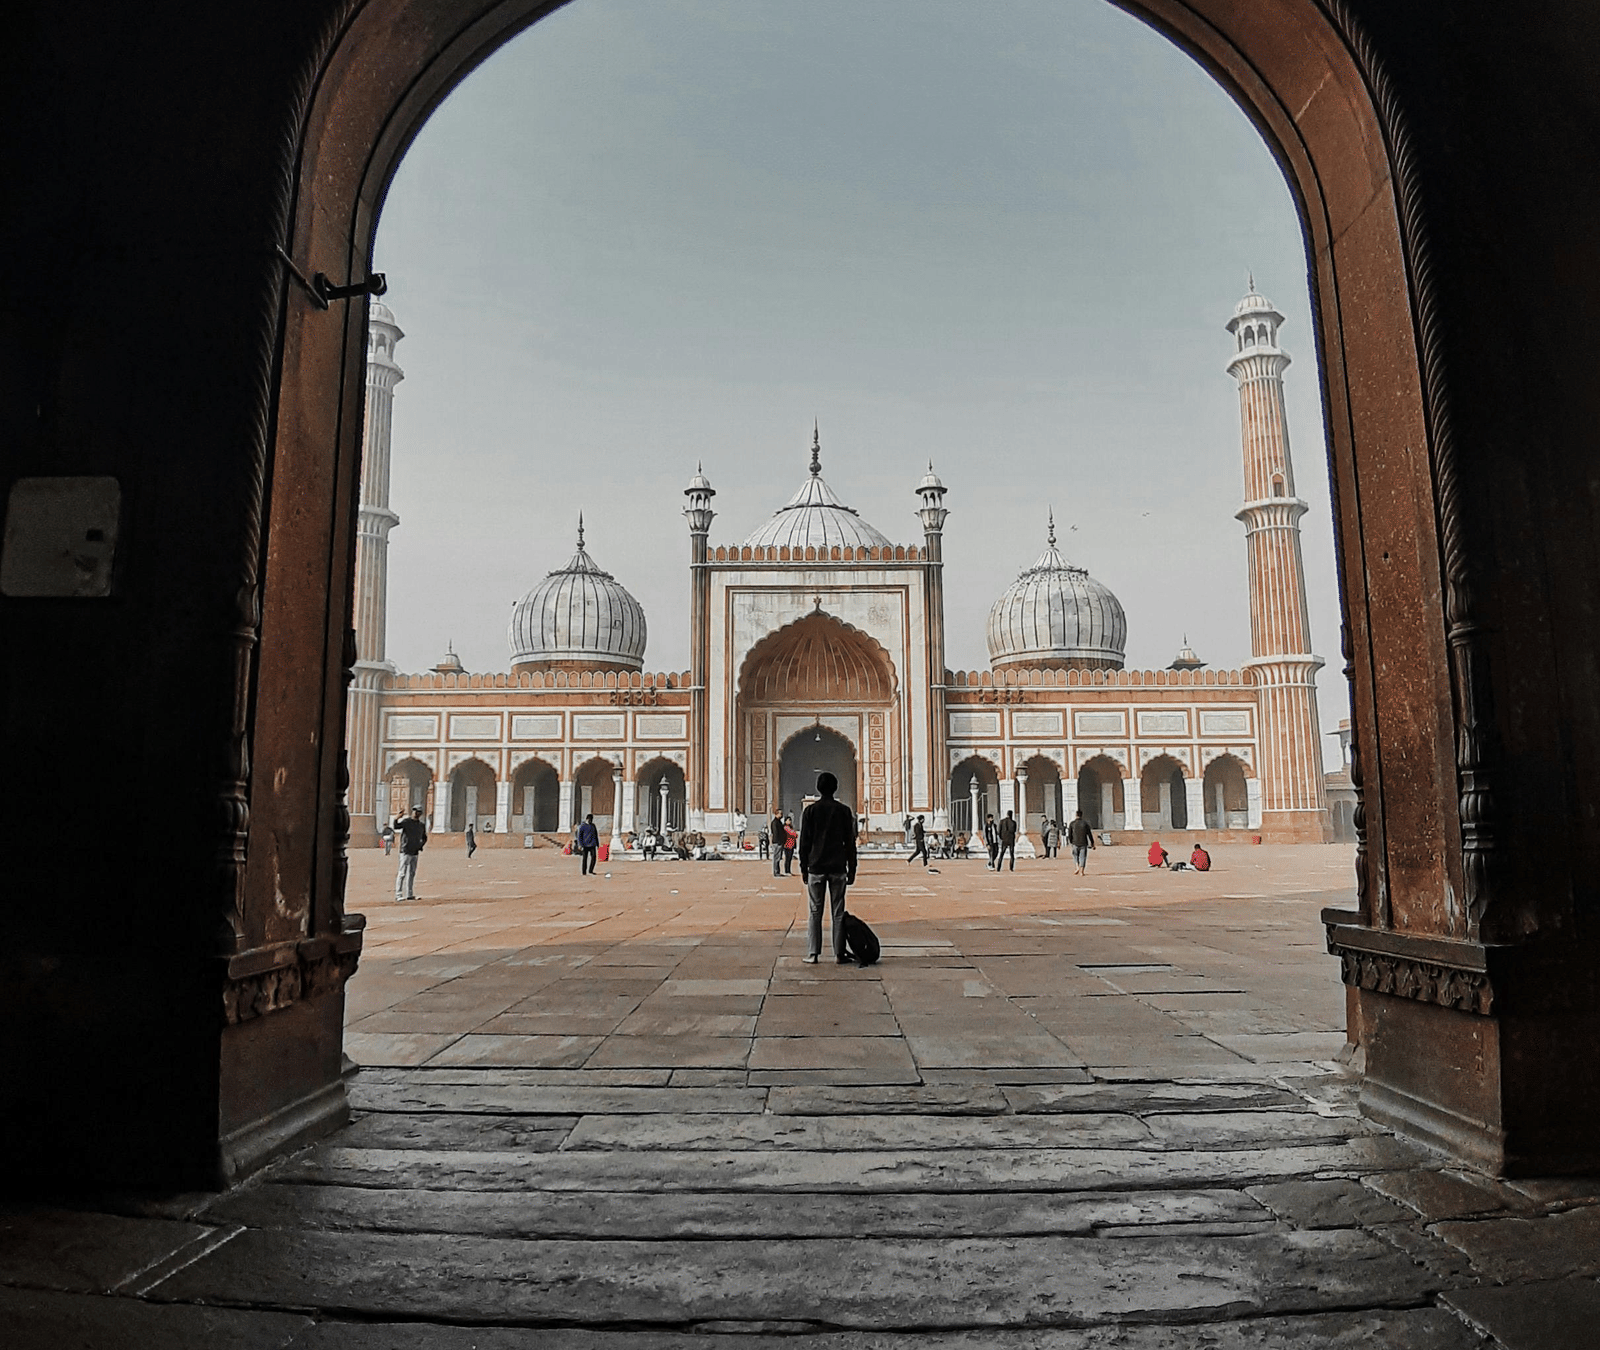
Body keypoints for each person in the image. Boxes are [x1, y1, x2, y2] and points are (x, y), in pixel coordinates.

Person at [798, 770, 859, 964]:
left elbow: (804, 843)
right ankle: (839, 954)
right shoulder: (844, 811)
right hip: (838, 868)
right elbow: (850, 843)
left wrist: (803, 867)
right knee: (838, 912)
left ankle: (813, 953)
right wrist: (852, 868)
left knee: (815, 912)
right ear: (835, 788)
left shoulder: (810, 811)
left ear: (818, 788)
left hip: (815, 867)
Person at [394, 806, 427, 901]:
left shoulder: (421, 825)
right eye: (415, 811)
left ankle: (409, 893)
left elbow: (424, 837)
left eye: (418, 812)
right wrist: (397, 817)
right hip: (405, 851)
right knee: (402, 873)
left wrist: (420, 845)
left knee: (412, 873)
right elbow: (396, 826)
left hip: (415, 851)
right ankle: (398, 894)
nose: (416, 813)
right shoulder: (406, 822)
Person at [1066, 810, 1096, 875]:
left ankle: (1077, 867)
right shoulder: (1085, 823)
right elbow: (1089, 834)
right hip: (1083, 842)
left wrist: (1071, 842)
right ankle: (1082, 871)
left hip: (1075, 842)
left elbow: (1069, 834)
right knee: (1083, 857)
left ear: (1076, 815)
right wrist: (1092, 843)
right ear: (1081, 815)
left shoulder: (1072, 823)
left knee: (1075, 856)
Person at [770, 809, 786, 878]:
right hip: (777, 842)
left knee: (779, 857)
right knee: (776, 857)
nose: (781, 815)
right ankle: (776, 872)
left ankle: (778, 871)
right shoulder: (775, 822)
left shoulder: (779, 822)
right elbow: (776, 833)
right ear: (776, 814)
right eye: (780, 814)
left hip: (780, 841)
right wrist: (779, 841)